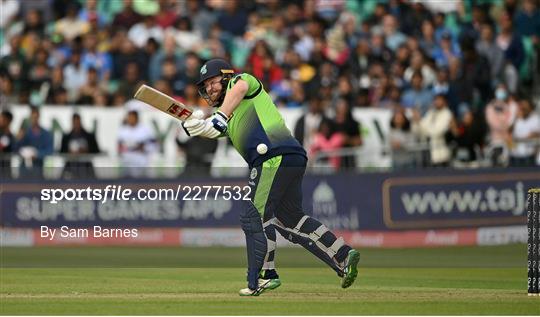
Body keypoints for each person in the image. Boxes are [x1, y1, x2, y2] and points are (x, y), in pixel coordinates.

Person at [182, 59, 360, 296]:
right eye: (206, 86)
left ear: (225, 77)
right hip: (290, 158)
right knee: (290, 219)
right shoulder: (227, 114)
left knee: (254, 216)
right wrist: (196, 126)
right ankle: (343, 255)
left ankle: (265, 275)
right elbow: (214, 128)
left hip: (272, 158)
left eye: (213, 82)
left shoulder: (242, 82)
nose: (210, 89)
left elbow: (240, 88)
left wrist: (220, 115)